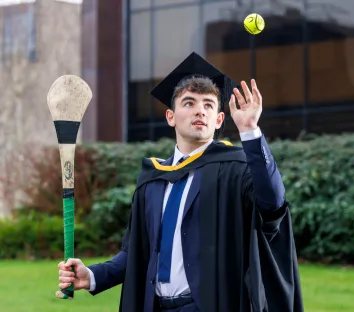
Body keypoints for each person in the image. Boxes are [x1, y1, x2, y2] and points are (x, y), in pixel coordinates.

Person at [57, 52, 304, 312]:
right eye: (189, 103)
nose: (200, 110)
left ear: (219, 120)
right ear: (170, 116)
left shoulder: (236, 170)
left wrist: (250, 130)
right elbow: (137, 254)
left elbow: (273, 203)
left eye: (209, 105)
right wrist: (92, 276)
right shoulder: (152, 178)